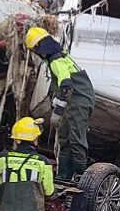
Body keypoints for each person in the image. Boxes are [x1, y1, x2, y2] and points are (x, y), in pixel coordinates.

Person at [25, 26, 95, 180]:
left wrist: (57, 111)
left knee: (76, 138)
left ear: (39, 47)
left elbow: (66, 86)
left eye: (35, 51)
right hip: (73, 100)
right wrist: (56, 103)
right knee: (64, 138)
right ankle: (63, 176)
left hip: (79, 100)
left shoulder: (56, 60)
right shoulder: (59, 57)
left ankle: (80, 175)